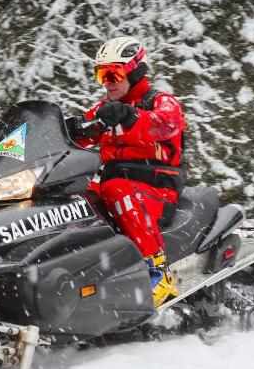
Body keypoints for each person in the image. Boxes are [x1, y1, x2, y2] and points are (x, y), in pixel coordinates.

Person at [67, 36, 187, 308]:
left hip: (157, 187)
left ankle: (158, 271)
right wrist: (67, 129)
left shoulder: (160, 102)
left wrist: (130, 116)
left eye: (114, 73)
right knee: (74, 198)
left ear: (135, 72)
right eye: (101, 74)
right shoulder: (106, 109)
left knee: (115, 189)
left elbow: (166, 124)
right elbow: (82, 132)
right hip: (118, 181)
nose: (107, 81)